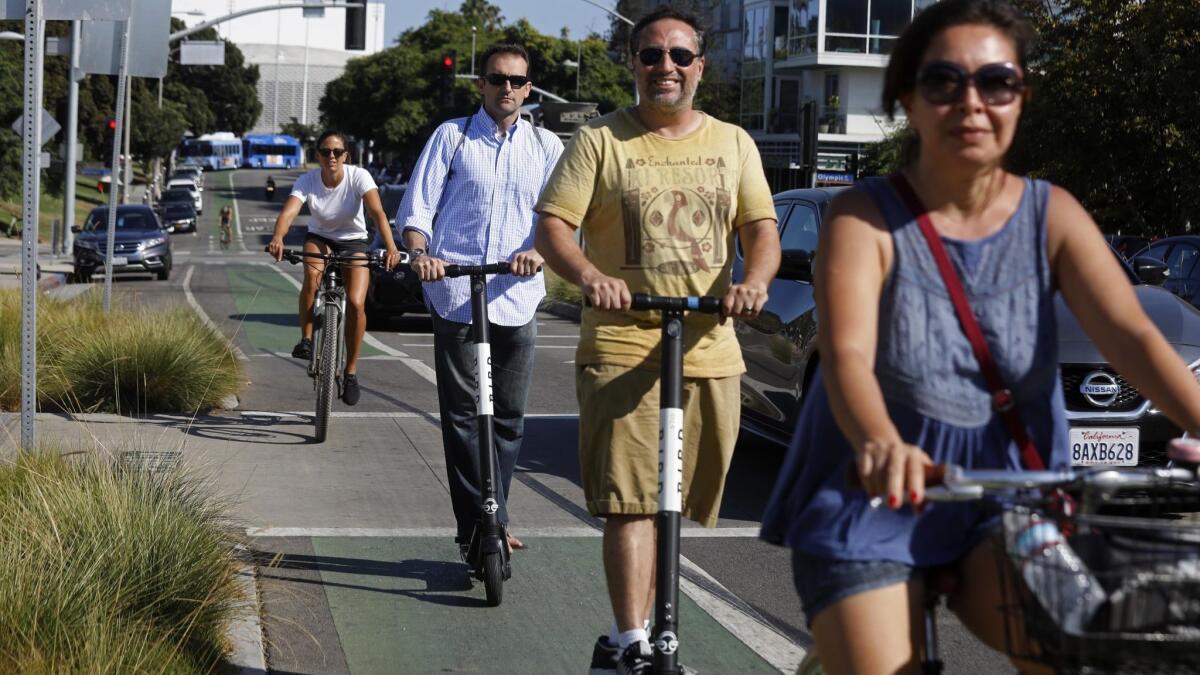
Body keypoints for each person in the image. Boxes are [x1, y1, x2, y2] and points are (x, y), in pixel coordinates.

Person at [757, 1, 1200, 673]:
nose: (971, 102)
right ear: (907, 97)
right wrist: (882, 443)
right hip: (874, 491)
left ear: (1020, 95)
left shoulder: (1054, 215)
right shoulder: (862, 217)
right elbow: (847, 351)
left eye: (995, 81)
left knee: (1078, 644)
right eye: (943, 82)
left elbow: (1131, 335)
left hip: (1009, 497)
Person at [533, 8, 781, 673]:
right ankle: (633, 638)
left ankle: (636, 637)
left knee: (682, 499)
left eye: (678, 55)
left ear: (700, 65)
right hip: (622, 342)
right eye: (650, 55)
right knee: (634, 500)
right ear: (634, 65)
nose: (664, 66)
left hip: (709, 347)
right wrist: (590, 275)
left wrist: (753, 282)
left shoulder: (734, 144)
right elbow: (554, 226)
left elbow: (761, 229)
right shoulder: (600, 142)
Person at [394, 44, 564, 560]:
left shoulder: (545, 145)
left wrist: (539, 249)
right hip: (456, 293)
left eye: (517, 80)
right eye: (497, 78)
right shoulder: (453, 136)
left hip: (517, 295)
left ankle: (495, 514)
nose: (506, 87)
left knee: (508, 417)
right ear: (481, 84)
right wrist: (421, 253)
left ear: (529, 88)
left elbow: (563, 216)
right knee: (466, 418)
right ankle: (476, 528)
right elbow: (416, 210)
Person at [267, 130, 402, 405]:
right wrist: (278, 237)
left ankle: (350, 372)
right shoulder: (307, 180)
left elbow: (377, 213)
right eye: (325, 151)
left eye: (337, 152)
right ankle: (306, 339)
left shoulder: (359, 176)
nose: (331, 157)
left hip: (354, 242)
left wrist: (390, 247)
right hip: (320, 238)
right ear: (317, 155)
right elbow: (289, 212)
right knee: (312, 276)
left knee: (355, 302)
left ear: (346, 156)